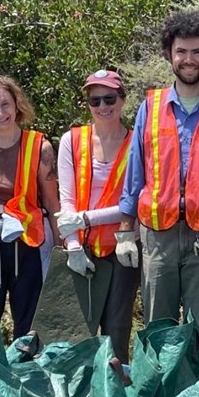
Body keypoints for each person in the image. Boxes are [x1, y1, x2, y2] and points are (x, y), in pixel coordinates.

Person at [117, 8, 199, 349]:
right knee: (157, 328)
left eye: (197, 52)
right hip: (157, 235)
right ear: (169, 54)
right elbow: (136, 170)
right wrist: (124, 229)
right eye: (181, 51)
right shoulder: (150, 106)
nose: (189, 59)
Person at [0, 76, 60, 337]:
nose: (0, 113)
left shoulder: (40, 147)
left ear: (17, 105)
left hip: (27, 248)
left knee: (29, 331)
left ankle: (28, 377)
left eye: (6, 104)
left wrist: (63, 252)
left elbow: (51, 203)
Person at [56, 69, 139, 363]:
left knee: (116, 332)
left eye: (109, 98)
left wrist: (87, 218)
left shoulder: (136, 144)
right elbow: (66, 199)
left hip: (122, 249)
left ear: (123, 100)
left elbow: (135, 204)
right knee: (74, 335)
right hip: (81, 249)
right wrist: (73, 246)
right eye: (95, 101)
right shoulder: (72, 140)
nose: (103, 106)